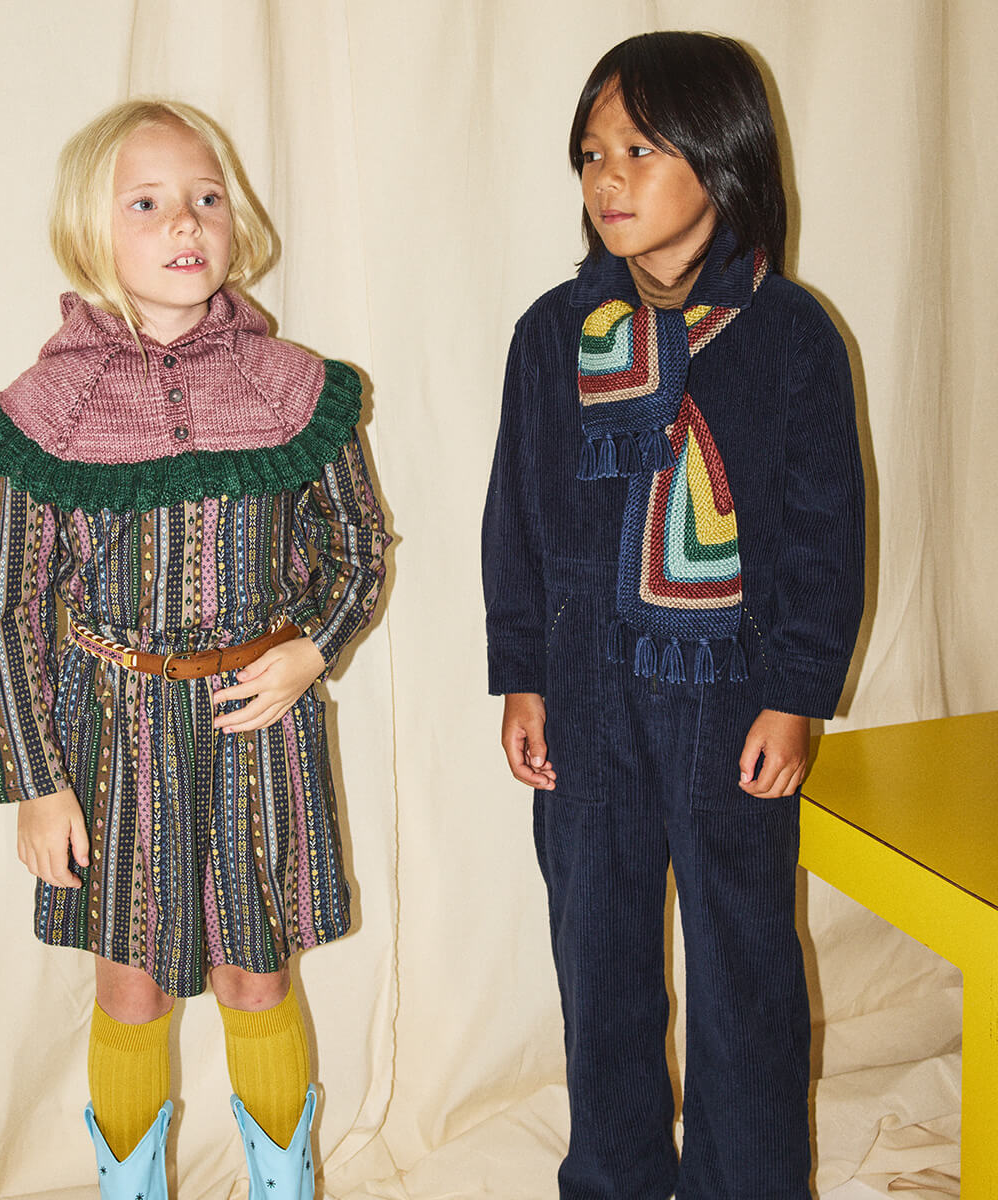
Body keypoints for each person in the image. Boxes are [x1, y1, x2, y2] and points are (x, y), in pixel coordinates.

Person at [0, 98, 389, 1200]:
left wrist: (312, 650)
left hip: (260, 726)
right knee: (133, 983)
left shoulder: (296, 389)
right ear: (89, 230)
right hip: (113, 736)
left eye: (206, 197)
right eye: (145, 203)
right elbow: (14, 613)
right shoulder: (46, 411)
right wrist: (38, 784)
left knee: (257, 973)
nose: (186, 222)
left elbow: (358, 548)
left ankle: (285, 1184)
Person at [482, 32, 864, 1200]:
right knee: (597, 951)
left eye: (640, 150)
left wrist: (796, 695)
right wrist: (522, 675)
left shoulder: (791, 334)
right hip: (584, 685)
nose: (607, 177)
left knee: (742, 954)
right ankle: (613, 1175)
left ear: (723, 154)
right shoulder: (554, 334)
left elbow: (825, 535)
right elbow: (516, 517)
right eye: (591, 153)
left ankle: (745, 1182)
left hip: (733, 690)